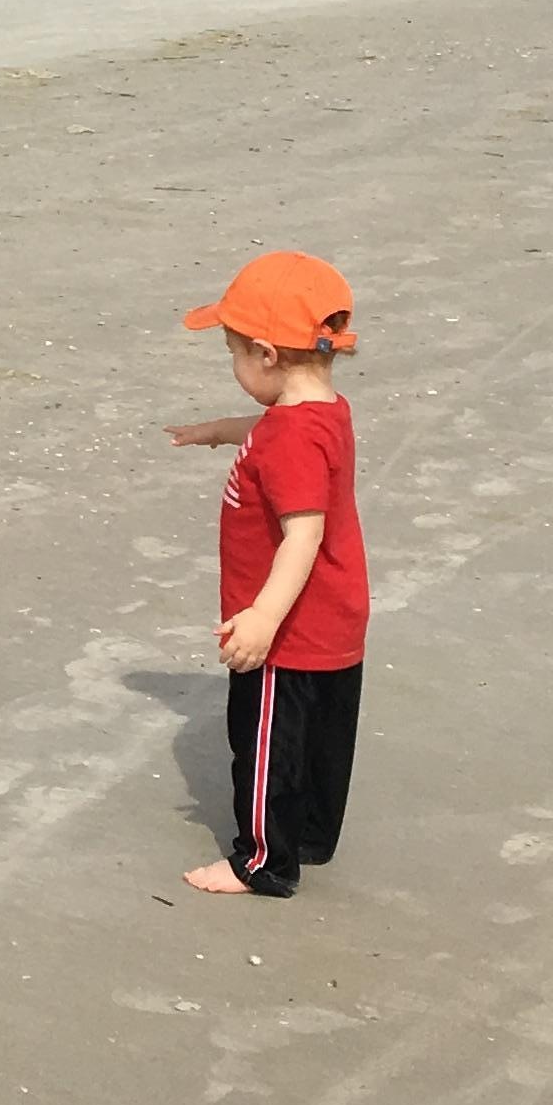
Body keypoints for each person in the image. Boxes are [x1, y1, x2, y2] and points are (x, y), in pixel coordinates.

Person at [166, 251, 370, 899]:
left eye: (231, 353)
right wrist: (222, 431)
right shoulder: (322, 412)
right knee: (321, 742)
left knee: (265, 750)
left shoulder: (290, 440)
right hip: (337, 618)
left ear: (265, 355)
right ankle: (310, 835)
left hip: (290, 632)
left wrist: (263, 618)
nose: (233, 367)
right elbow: (277, 433)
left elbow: (302, 535)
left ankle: (262, 861)